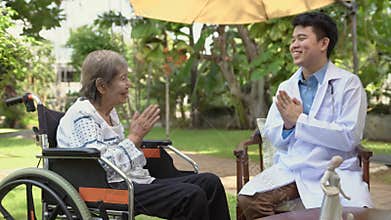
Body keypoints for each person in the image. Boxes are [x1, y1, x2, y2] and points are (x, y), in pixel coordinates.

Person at [56, 50, 230, 220]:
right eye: (123, 79)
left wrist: (135, 142)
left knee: (210, 182)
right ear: (102, 86)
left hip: (131, 181)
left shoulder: (109, 114)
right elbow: (102, 165)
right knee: (190, 195)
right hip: (108, 189)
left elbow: (123, 160)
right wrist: (134, 138)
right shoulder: (83, 116)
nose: (128, 84)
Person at [237, 12, 372, 219]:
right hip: (294, 169)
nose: (294, 45)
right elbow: (274, 134)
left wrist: (299, 121)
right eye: (292, 40)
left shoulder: (348, 84)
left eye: (301, 38)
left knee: (348, 214)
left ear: (323, 43)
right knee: (248, 199)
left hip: (334, 170)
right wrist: (288, 127)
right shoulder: (287, 87)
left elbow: (349, 136)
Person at [319, 155, 351, 220]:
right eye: (339, 163)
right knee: (330, 211)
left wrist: (345, 196)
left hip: (336, 195)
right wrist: (326, 191)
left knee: (336, 211)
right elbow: (322, 183)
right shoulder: (328, 172)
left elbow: (339, 187)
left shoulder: (334, 172)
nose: (340, 165)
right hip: (331, 196)